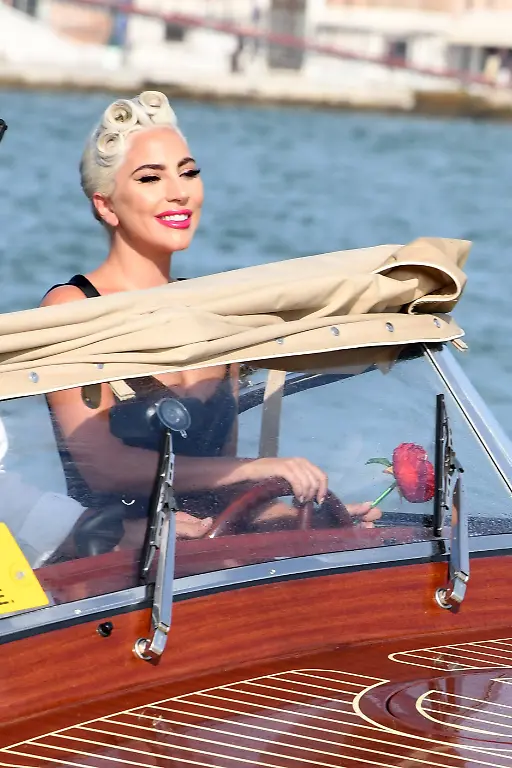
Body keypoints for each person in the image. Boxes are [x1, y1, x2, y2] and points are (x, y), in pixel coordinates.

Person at [41, 91, 380, 543]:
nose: (179, 192)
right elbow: (104, 468)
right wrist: (256, 468)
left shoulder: (212, 314)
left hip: (206, 559)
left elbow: (216, 494)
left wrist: (310, 518)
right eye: (150, 178)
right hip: (110, 559)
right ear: (106, 205)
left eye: (188, 172)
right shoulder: (73, 307)